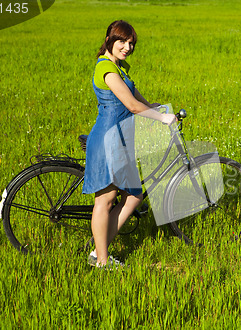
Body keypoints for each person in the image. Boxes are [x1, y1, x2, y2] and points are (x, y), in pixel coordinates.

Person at [82, 20, 175, 268]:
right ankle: (102, 260)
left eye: (131, 43)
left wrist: (156, 107)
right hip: (108, 138)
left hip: (121, 137)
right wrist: (160, 118)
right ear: (110, 40)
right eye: (122, 41)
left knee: (134, 196)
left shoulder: (120, 67)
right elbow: (132, 106)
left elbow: (135, 96)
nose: (127, 47)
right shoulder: (106, 70)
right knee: (106, 200)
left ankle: (97, 250)